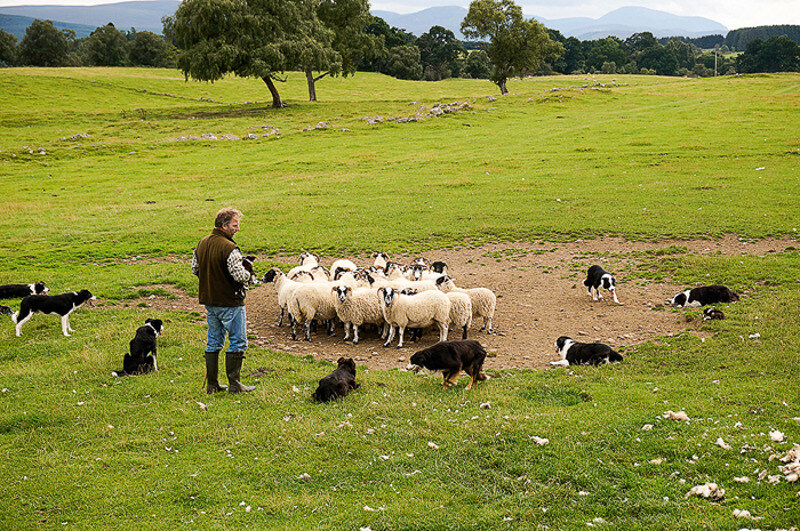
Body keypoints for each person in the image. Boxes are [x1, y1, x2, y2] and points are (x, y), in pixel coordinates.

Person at [192, 207, 255, 394]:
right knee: (238, 341)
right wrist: (249, 275)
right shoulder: (230, 248)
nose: (238, 229)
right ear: (223, 225)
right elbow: (238, 275)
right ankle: (235, 384)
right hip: (230, 302)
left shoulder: (201, 244)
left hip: (210, 301)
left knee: (214, 341)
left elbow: (195, 269)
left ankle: (212, 384)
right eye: (235, 225)